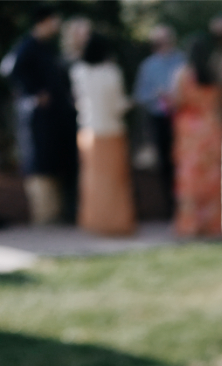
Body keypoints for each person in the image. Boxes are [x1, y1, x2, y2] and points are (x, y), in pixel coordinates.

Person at [1, 4, 78, 225]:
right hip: (39, 120)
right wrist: (33, 94)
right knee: (41, 162)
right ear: (44, 21)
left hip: (56, 118)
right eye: (54, 20)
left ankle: (60, 214)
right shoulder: (27, 46)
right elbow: (9, 69)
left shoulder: (47, 47)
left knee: (57, 161)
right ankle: (45, 217)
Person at [70, 33, 136, 237]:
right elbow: (118, 105)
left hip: (88, 132)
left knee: (92, 180)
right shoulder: (112, 73)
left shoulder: (78, 71)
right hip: (111, 131)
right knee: (115, 181)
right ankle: (116, 223)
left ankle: (94, 221)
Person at [171, 35, 222, 238]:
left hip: (190, 131)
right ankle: (213, 224)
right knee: (212, 177)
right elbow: (218, 101)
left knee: (190, 178)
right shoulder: (214, 73)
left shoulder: (183, 74)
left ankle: (191, 224)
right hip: (211, 128)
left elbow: (177, 100)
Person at [132, 25, 185, 218]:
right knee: (163, 163)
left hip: (180, 118)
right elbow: (140, 95)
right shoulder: (148, 66)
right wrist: (157, 95)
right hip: (158, 118)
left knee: (181, 160)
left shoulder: (182, 61)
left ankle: (184, 205)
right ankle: (169, 208)